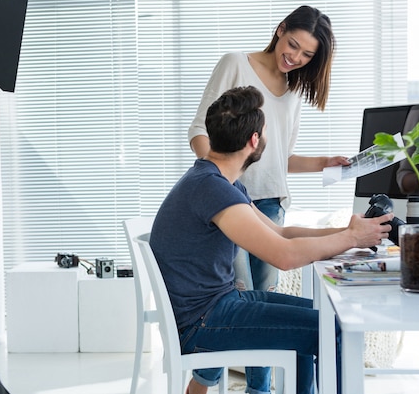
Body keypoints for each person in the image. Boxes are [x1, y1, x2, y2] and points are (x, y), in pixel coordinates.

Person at [151, 86, 393, 394]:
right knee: (334, 330)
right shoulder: (213, 189)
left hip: (218, 305)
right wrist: (349, 238)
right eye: (265, 131)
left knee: (323, 320)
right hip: (204, 321)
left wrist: (348, 234)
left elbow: (281, 233)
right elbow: (284, 256)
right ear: (254, 141)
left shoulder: (219, 181)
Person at [188, 5, 351, 293]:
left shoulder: (294, 91)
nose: (296, 57)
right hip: (231, 200)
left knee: (265, 297)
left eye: (307, 55)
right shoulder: (236, 64)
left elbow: (281, 158)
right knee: (239, 293)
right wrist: (223, 182)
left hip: (271, 203)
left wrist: (325, 162)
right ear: (281, 29)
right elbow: (199, 132)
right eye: (293, 45)